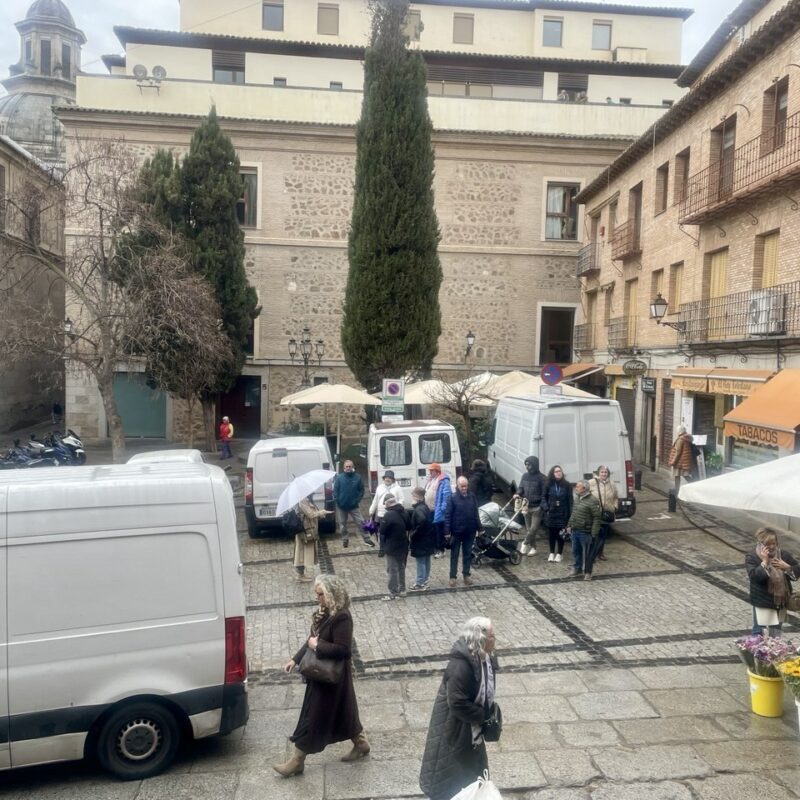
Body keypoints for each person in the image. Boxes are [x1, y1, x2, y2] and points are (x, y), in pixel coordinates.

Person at [274, 574, 369, 777]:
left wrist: (318, 645)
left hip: (333, 678)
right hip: (320, 675)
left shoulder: (342, 616)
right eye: (317, 594)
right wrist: (295, 659)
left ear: (332, 594)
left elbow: (343, 650)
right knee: (343, 712)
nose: (317, 598)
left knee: (314, 716)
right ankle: (361, 744)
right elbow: (311, 639)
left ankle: (297, 761)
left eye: (321, 594)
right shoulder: (324, 612)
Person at [419, 616, 498, 800]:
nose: (495, 640)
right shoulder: (460, 666)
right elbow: (457, 703)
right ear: (481, 639)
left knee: (472, 772)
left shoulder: (485, 657)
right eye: (492, 637)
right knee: (451, 775)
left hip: (471, 728)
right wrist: (482, 716)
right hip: (455, 728)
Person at [746, 527, 800, 636]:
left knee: (775, 634)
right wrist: (764, 563)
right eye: (767, 544)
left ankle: (774, 646)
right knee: (758, 632)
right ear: (761, 544)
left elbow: (796, 573)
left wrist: (787, 568)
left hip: (780, 601)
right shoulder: (752, 557)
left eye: (773, 543)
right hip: (761, 600)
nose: (771, 546)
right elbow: (755, 577)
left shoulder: (783, 555)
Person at [445, 476, 483, 588]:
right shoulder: (452, 498)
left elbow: (476, 513)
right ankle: (452, 576)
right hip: (456, 531)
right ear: (457, 486)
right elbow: (448, 515)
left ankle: (466, 575)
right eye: (462, 486)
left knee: (467, 554)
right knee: (454, 555)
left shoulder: (472, 496)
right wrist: (446, 531)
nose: (464, 488)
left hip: (470, 530)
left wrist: (480, 528)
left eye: (465, 486)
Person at [565, 480, 602, 581]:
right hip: (575, 530)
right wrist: (569, 525)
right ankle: (577, 568)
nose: (576, 488)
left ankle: (588, 572)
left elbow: (597, 518)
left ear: (584, 489)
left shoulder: (593, 500)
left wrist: (594, 532)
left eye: (578, 487)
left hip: (585, 532)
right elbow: (574, 513)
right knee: (576, 551)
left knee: (587, 554)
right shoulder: (577, 498)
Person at [333, 460, 373, 548]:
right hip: (341, 506)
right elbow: (335, 491)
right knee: (342, 524)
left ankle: (367, 538)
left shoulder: (358, 477)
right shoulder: (339, 478)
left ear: (353, 467)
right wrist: (338, 501)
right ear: (344, 468)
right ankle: (345, 539)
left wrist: (357, 500)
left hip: (354, 506)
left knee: (361, 522)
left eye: (349, 466)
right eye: (346, 466)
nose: (348, 468)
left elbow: (361, 491)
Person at [380, 494, 411, 600]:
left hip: (392, 546)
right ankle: (402, 589)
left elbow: (382, 530)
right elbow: (409, 526)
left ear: (387, 504)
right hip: (403, 545)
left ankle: (393, 592)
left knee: (392, 569)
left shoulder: (388, 515)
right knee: (401, 567)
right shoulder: (404, 512)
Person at [514, 455, 545, 557]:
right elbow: (521, 488)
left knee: (533, 529)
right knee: (529, 530)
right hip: (526, 506)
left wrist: (542, 506)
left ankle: (524, 543)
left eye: (529, 465)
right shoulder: (524, 476)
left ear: (534, 465)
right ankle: (533, 548)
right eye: (526, 465)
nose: (527, 467)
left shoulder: (542, 478)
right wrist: (518, 493)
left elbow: (544, 493)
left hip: (537, 507)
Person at [294, 495, 330, 582]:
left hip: (307, 528)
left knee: (302, 551)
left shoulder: (306, 499)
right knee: (300, 552)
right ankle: (300, 575)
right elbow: (310, 514)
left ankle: (301, 574)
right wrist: (321, 512)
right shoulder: (302, 500)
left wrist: (320, 513)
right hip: (304, 530)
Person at [541, 465, 572, 563]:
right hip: (551, 512)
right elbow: (543, 497)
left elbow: (570, 500)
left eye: (560, 471)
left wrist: (570, 514)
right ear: (552, 474)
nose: (559, 473)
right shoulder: (548, 484)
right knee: (552, 534)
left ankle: (559, 553)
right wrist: (546, 508)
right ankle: (551, 552)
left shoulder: (567, 485)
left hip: (562, 513)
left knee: (561, 534)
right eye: (556, 471)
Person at [589, 465, 619, 562]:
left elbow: (616, 497)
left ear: (608, 473)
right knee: (594, 534)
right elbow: (585, 494)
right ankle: (591, 554)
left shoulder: (612, 484)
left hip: (607, 513)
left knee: (603, 535)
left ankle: (600, 553)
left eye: (605, 472)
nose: (604, 474)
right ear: (598, 473)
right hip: (595, 513)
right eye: (602, 472)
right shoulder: (592, 482)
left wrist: (614, 507)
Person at [410, 486, 436, 591]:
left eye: (413, 495)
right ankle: (425, 580)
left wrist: (414, 534)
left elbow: (422, 521)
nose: (412, 497)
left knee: (420, 561)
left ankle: (420, 582)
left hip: (420, 540)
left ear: (417, 497)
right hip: (427, 539)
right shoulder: (425, 507)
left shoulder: (419, 509)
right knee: (426, 560)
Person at [424, 463, 451, 558]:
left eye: (432, 470)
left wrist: (443, 508)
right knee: (432, 531)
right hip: (430, 509)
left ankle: (441, 550)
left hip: (438, 511)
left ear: (437, 471)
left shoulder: (444, 481)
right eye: (430, 470)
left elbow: (447, 495)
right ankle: (435, 548)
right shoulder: (431, 480)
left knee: (438, 531)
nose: (430, 472)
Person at [667, 426, 694, 494]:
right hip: (685, 461)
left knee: (677, 476)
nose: (677, 432)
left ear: (679, 431)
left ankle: (677, 490)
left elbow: (678, 452)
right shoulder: (687, 438)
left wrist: (673, 461)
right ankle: (694, 486)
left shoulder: (680, 440)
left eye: (677, 430)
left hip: (679, 462)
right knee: (685, 475)